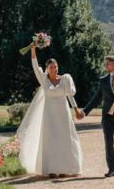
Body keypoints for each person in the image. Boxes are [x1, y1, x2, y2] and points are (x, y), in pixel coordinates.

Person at [15, 43, 83, 177]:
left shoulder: (65, 79)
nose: (54, 69)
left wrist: (76, 110)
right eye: (51, 67)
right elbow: (35, 65)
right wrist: (33, 50)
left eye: (56, 66)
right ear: (47, 69)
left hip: (63, 114)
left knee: (65, 139)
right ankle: (51, 169)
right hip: (49, 115)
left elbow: (70, 95)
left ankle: (65, 168)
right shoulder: (43, 80)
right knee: (50, 140)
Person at [77, 54, 114, 177]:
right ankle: (111, 169)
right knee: (109, 143)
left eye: (108, 63)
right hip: (107, 117)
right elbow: (96, 98)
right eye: (106, 63)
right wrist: (84, 112)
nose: (106, 66)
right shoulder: (103, 80)